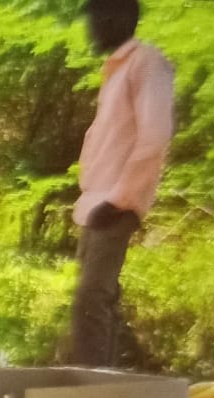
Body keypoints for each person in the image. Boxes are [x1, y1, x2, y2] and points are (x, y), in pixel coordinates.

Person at [70, 0, 173, 367]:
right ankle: (104, 387)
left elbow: (155, 136)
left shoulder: (147, 62)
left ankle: (89, 394)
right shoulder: (116, 69)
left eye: (97, 18)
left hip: (115, 205)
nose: (91, 27)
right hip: (96, 205)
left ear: (120, 18)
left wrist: (119, 200)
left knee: (90, 299)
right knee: (94, 301)